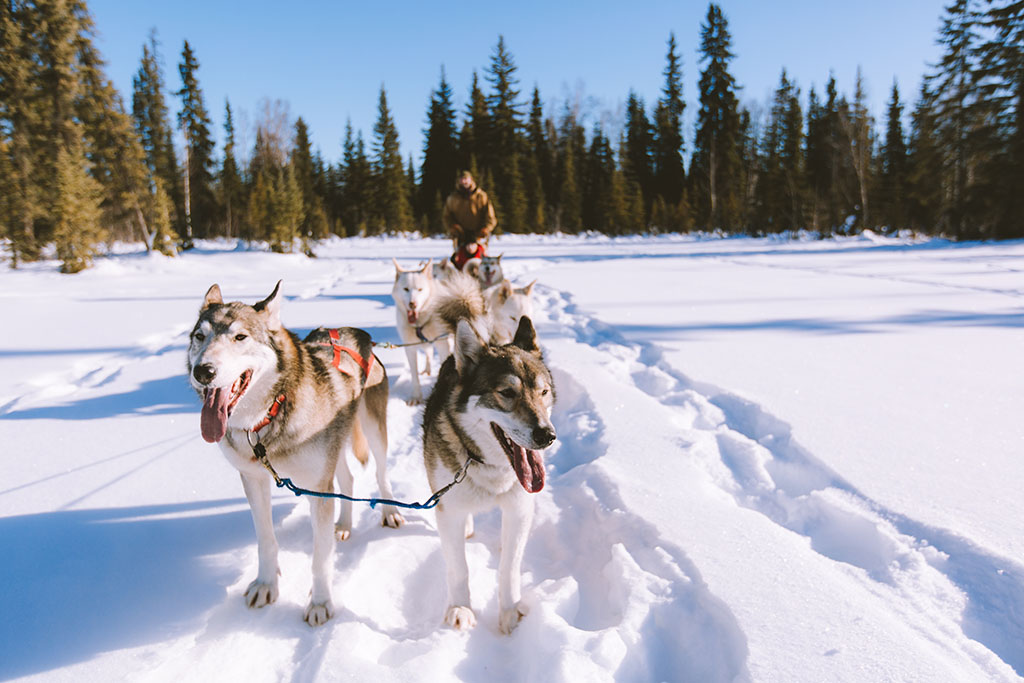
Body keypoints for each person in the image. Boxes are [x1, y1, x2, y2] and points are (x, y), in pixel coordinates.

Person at [442, 170, 496, 270]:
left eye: (466, 179)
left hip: (478, 234)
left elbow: (490, 216)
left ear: (471, 180)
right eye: (462, 179)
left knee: (481, 260)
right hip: (460, 234)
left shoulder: (481, 196)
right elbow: (447, 216)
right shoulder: (453, 198)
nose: (464, 181)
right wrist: (452, 227)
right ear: (459, 181)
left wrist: (486, 228)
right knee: (460, 261)